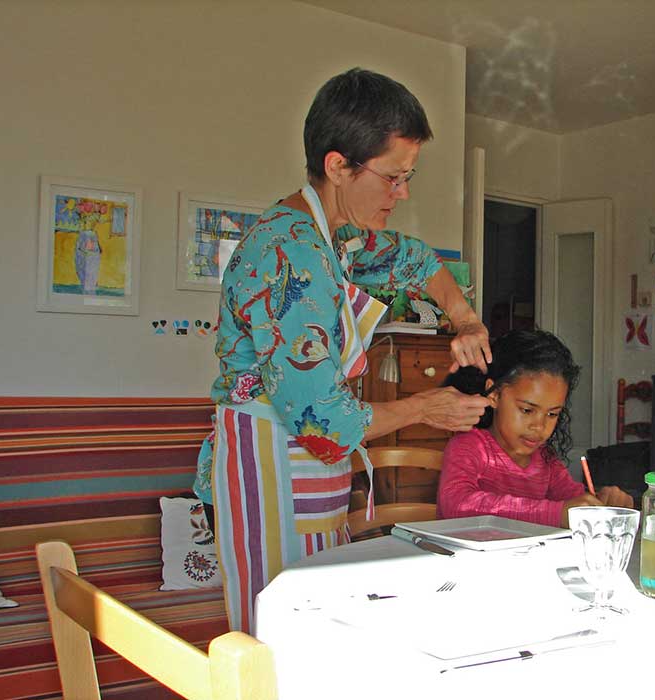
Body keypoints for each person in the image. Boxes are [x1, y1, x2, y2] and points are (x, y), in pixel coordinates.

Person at [193, 68, 492, 633]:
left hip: (305, 476)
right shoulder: (291, 254)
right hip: (270, 475)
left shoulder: (334, 238)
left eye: (408, 176)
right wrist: (427, 408)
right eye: (393, 177)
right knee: (277, 644)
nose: (402, 193)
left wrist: (466, 320)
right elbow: (324, 424)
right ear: (337, 166)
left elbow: (417, 261)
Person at [437, 329, 633, 528]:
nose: (539, 426)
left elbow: (574, 502)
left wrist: (603, 502)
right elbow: (456, 504)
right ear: (494, 394)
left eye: (552, 414)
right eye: (527, 410)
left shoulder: (547, 462)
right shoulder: (469, 447)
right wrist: (556, 514)